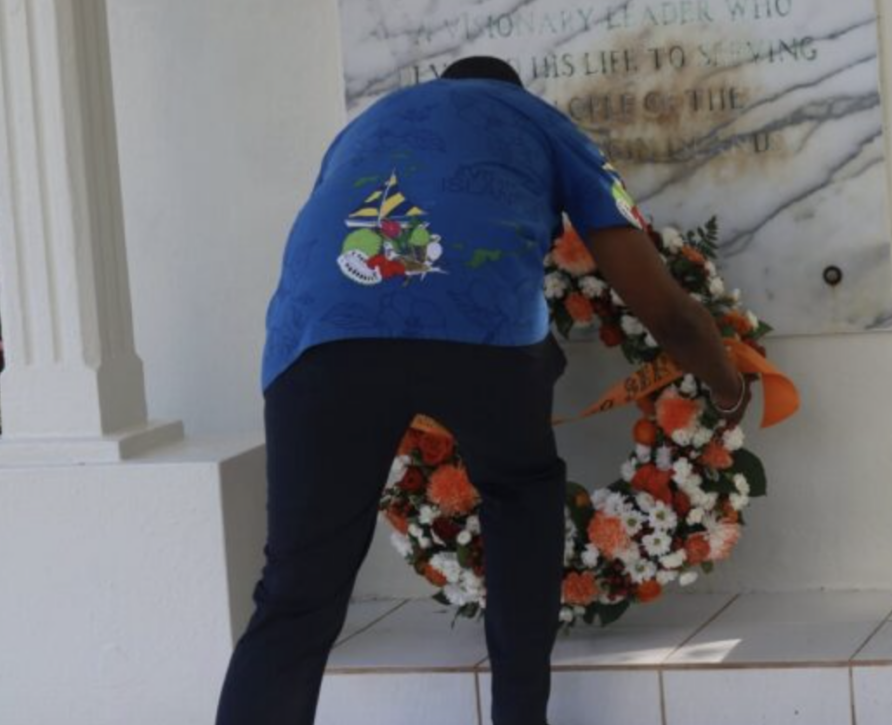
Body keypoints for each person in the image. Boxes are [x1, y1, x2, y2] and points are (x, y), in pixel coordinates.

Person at [214, 55, 749, 725]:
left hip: (318, 343)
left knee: (296, 591)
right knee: (521, 493)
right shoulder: (543, 122)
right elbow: (662, 307)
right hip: (480, 335)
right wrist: (726, 387)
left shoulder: (367, 125)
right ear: (511, 92)